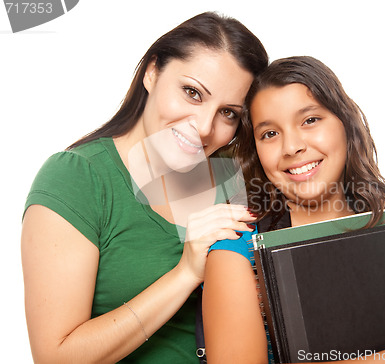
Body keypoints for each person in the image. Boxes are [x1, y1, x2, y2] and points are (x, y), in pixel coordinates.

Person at [202, 56, 385, 363]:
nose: (291, 147)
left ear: (346, 125)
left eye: (310, 120)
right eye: (270, 134)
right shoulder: (237, 249)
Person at [21, 12, 268, 363]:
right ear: (152, 72)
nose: (203, 127)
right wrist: (185, 274)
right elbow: (56, 357)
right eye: (192, 93)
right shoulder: (78, 177)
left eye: (228, 113)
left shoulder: (240, 178)